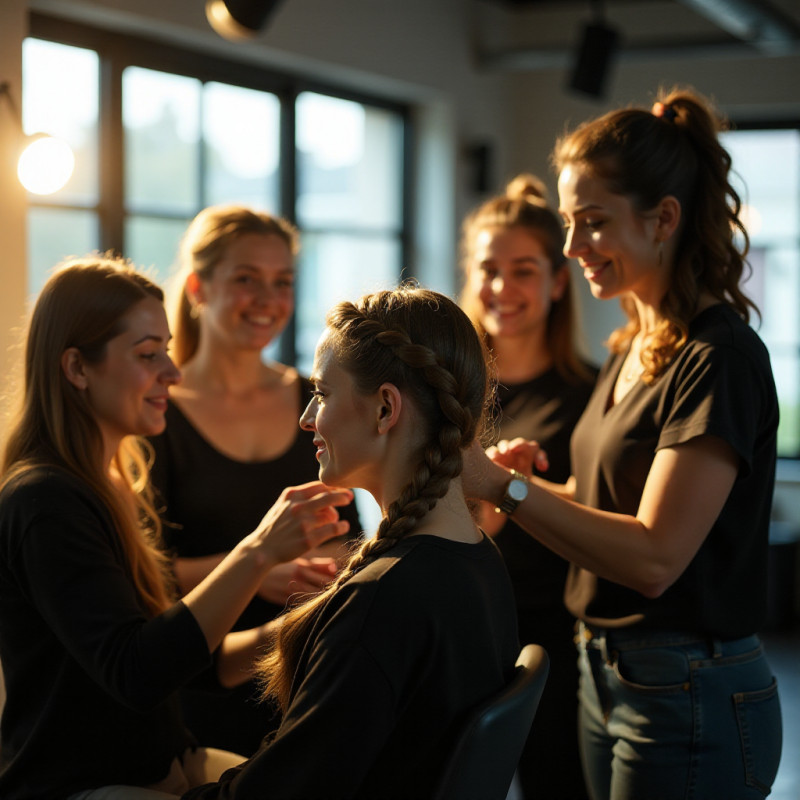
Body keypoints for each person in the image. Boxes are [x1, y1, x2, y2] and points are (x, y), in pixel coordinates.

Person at [462, 87, 782, 800]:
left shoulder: (716, 356)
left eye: (593, 223)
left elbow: (654, 557)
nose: (572, 247)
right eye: (572, 223)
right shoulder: (634, 344)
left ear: (663, 218)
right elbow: (609, 506)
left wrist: (503, 489)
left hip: (688, 686)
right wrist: (530, 488)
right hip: (607, 671)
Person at [0, 257, 353, 800]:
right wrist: (257, 552)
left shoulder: (115, 484)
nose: (172, 371)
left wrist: (308, 622)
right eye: (147, 355)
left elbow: (192, 664)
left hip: (164, 764)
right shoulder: (45, 501)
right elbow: (138, 672)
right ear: (77, 368)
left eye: (166, 349)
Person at [183, 286, 521, 800]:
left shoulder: (384, 600)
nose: (305, 418)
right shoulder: (480, 558)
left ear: (386, 409)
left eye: (321, 394)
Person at [148, 204, 362, 756]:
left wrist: (326, 568)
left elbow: (346, 533)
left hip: (310, 675)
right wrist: (254, 567)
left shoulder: (314, 400)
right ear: (199, 286)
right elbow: (144, 571)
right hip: (200, 686)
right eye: (247, 279)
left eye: (282, 282)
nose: (268, 299)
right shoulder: (155, 414)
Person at [459, 173, 595, 799]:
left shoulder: (594, 394)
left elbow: (605, 520)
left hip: (556, 641)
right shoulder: (452, 394)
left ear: (558, 280)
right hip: (459, 627)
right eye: (489, 269)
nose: (501, 288)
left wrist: (511, 487)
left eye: (523, 271)